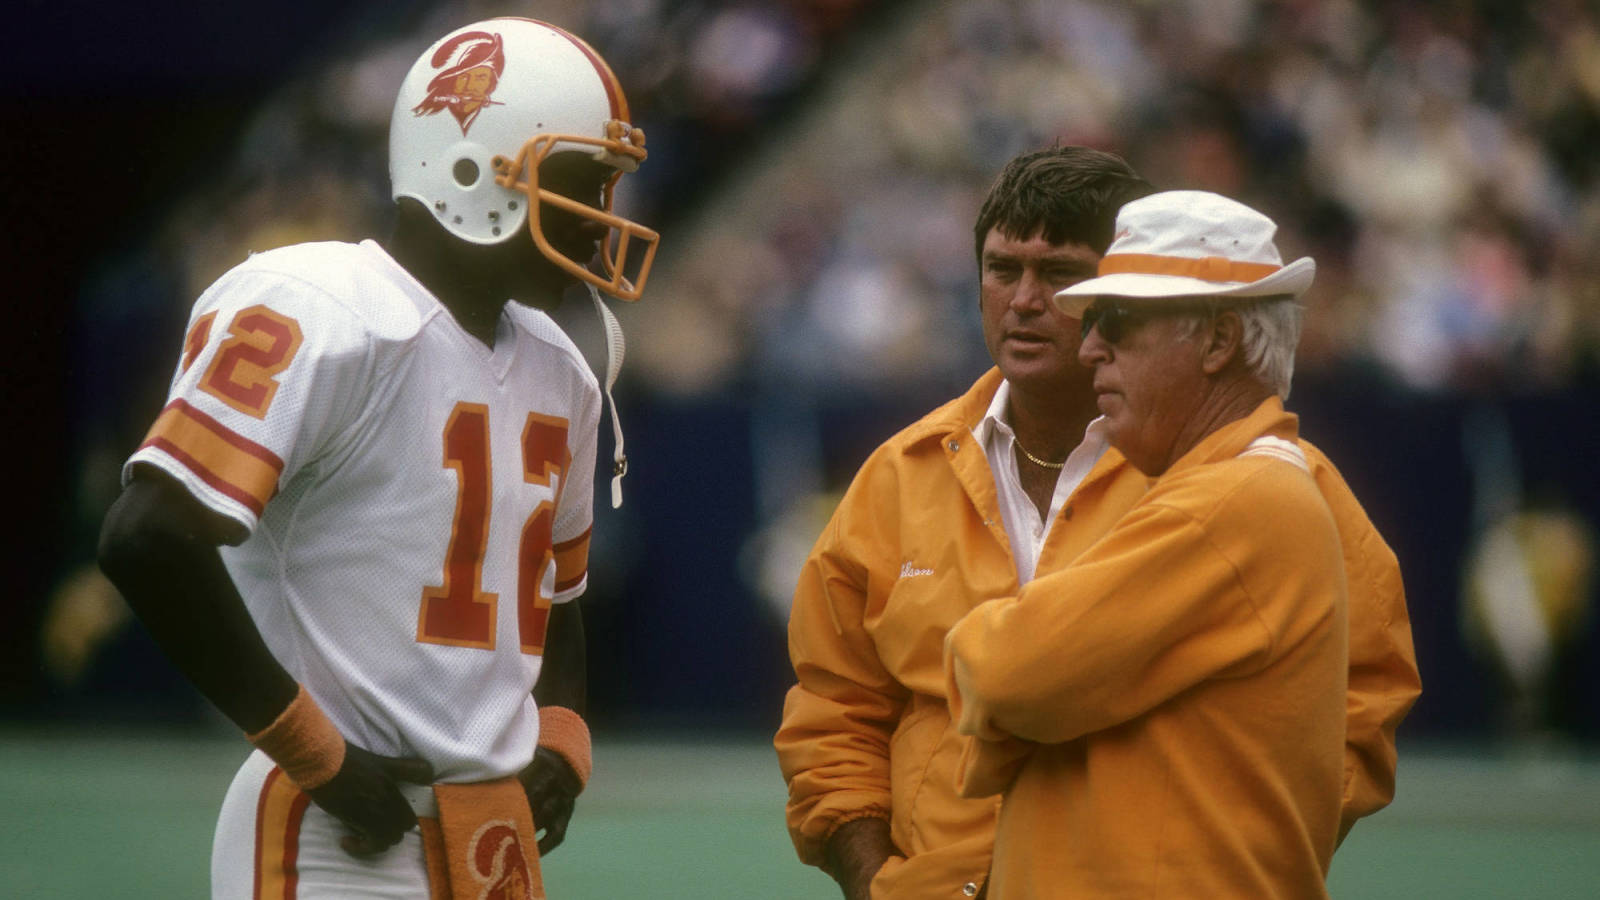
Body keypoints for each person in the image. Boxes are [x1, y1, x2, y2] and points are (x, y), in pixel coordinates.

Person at [96, 18, 658, 899]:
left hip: (493, 842)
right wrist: (313, 752)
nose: (601, 223)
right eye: (584, 184)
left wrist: (562, 739)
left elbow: (559, 599)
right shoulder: (322, 307)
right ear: (472, 165)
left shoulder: (563, 370)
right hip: (336, 838)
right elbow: (146, 535)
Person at [774, 151, 1419, 900]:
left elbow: (1361, 698)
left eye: (1062, 278)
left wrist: (1226, 844)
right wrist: (879, 883)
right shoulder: (899, 473)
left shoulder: (1259, 483)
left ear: (1214, 339)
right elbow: (834, 706)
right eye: (1000, 268)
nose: (1024, 300)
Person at [945, 189, 1357, 897]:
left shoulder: (1232, 499)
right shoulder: (1238, 488)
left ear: (1221, 340)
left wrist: (1000, 687)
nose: (1090, 343)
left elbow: (1002, 671)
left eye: (1120, 320)